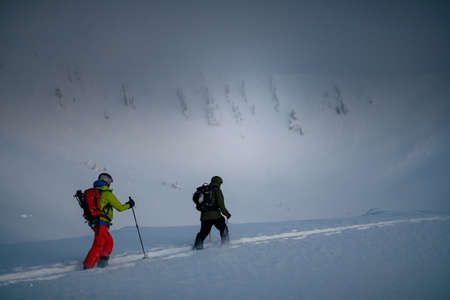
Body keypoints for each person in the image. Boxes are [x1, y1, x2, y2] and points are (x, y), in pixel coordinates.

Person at [83, 173, 135, 269]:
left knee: (108, 242)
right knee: (99, 245)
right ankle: (88, 267)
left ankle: (102, 264)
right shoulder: (106, 193)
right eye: (110, 181)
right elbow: (119, 207)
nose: (110, 184)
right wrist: (129, 204)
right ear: (107, 181)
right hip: (101, 223)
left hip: (96, 223)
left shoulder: (95, 192)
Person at [193, 176, 231, 250]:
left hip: (204, 216)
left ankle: (197, 246)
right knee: (223, 227)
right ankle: (225, 245)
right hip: (215, 216)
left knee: (204, 232)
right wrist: (227, 214)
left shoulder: (205, 190)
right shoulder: (217, 190)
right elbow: (221, 205)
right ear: (218, 182)